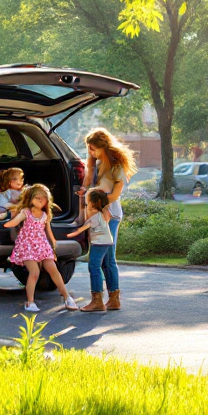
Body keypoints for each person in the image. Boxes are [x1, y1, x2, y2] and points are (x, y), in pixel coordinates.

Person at [80, 129, 137, 310]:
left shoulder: (115, 167)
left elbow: (113, 196)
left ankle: (97, 301)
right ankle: (113, 299)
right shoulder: (96, 165)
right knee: (108, 259)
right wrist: (89, 164)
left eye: (92, 149)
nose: (90, 152)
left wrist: (96, 202)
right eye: (88, 149)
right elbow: (87, 184)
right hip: (99, 216)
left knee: (95, 261)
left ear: (103, 147)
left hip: (109, 216)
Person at [4, 183, 77, 313]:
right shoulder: (25, 212)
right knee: (34, 272)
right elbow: (15, 222)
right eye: (38, 197)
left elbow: (48, 232)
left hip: (42, 246)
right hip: (27, 246)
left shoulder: (44, 215)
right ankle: (30, 302)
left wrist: (53, 247)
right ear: (30, 198)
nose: (41, 200)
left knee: (53, 269)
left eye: (43, 198)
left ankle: (67, 297)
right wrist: (7, 222)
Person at [67, 188, 117, 312]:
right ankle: (114, 299)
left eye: (87, 200)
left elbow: (82, 222)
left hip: (99, 242)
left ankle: (97, 301)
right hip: (108, 239)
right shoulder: (105, 210)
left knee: (94, 266)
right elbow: (107, 216)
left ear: (93, 202)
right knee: (108, 264)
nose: (86, 203)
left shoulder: (93, 212)